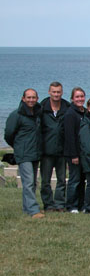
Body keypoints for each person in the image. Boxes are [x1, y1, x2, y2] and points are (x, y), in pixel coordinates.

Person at [4, 89, 44, 218]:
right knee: (28, 182)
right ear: (23, 99)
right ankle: (33, 210)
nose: (31, 100)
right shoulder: (16, 115)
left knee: (32, 181)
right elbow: (8, 134)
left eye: (33, 97)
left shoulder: (38, 114)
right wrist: (18, 146)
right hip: (23, 153)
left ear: (37, 98)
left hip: (35, 152)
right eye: (29, 97)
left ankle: (27, 208)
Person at [39, 82, 69, 212]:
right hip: (46, 151)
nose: (56, 94)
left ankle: (59, 203)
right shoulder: (41, 108)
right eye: (54, 92)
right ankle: (48, 204)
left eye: (58, 92)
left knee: (61, 180)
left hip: (62, 151)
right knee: (45, 180)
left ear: (62, 92)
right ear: (49, 92)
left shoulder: (67, 107)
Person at [64, 87, 86, 213]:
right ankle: (71, 205)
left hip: (83, 153)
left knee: (82, 180)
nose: (80, 99)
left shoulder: (84, 112)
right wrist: (74, 155)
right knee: (74, 180)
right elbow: (69, 136)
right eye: (77, 97)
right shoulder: (70, 114)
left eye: (82, 96)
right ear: (72, 98)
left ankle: (81, 204)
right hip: (74, 153)